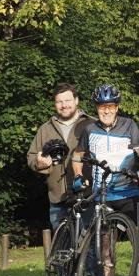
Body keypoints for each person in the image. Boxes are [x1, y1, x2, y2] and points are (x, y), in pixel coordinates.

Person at [72, 84, 139, 222]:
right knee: (103, 237)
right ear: (97, 108)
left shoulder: (129, 125)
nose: (106, 111)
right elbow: (77, 156)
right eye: (102, 107)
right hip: (101, 194)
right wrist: (78, 175)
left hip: (128, 192)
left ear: (117, 108)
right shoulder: (89, 129)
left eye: (111, 106)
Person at [27, 83, 95, 231]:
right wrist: (39, 163)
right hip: (58, 198)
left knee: (89, 249)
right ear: (55, 104)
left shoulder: (92, 124)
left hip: (87, 196)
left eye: (67, 100)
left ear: (76, 100)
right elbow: (31, 157)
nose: (64, 105)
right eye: (59, 102)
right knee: (61, 250)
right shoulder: (46, 129)